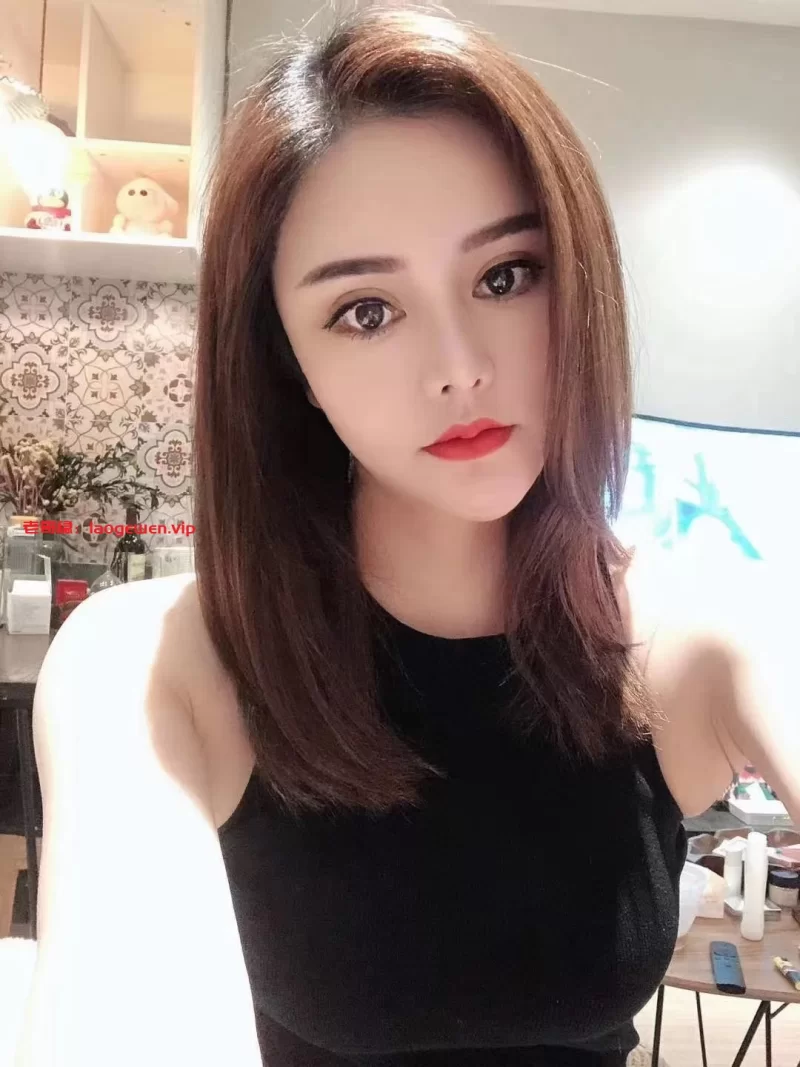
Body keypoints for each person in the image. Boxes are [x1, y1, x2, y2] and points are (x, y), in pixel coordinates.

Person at [17, 5, 799, 1066]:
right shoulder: (152, 661)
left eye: (504, 275)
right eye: (366, 310)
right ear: (290, 363)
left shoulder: (686, 633)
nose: (459, 366)